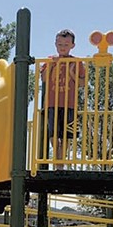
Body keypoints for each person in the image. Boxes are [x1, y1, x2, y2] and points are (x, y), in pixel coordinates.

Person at [40, 29, 86, 169]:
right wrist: (53, 64)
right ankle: (58, 159)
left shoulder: (76, 62)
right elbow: (44, 78)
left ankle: (60, 161)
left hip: (70, 103)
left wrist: (72, 73)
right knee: (53, 132)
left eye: (66, 44)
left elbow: (82, 84)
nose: (62, 47)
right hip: (52, 103)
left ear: (72, 45)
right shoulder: (49, 60)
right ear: (55, 44)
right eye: (60, 44)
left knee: (66, 134)